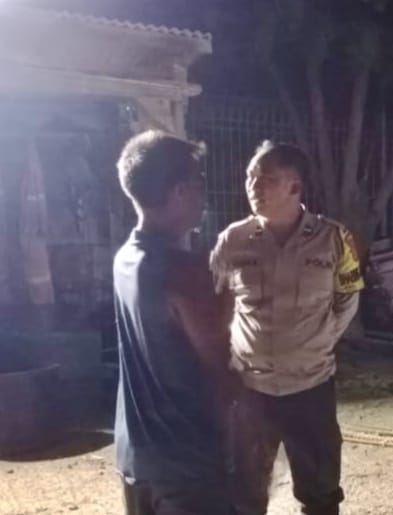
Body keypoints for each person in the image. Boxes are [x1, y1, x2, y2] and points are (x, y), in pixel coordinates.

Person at [210, 141, 364, 515]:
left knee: (321, 493)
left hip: (311, 387)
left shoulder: (334, 239)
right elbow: (216, 302)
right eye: (251, 177)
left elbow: (348, 296)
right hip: (251, 389)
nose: (254, 186)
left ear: (294, 186)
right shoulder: (233, 240)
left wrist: (319, 341)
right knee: (244, 494)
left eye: (267, 179)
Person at [113, 131, 237, 514]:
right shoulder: (184, 272)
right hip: (187, 463)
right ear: (180, 191)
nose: (203, 195)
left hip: (137, 457)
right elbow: (221, 362)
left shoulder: (125, 257)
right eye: (199, 182)